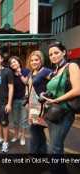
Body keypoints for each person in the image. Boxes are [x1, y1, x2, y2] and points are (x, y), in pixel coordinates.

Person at [41, 41, 80, 173]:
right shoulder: (56, 71)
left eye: (56, 53)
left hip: (64, 112)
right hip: (53, 112)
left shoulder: (72, 66)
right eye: (51, 54)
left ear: (64, 52)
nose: (53, 56)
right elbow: (56, 89)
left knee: (53, 149)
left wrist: (56, 99)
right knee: (56, 146)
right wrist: (46, 94)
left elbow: (77, 90)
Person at [25, 50, 52, 155]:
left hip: (41, 105)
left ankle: (33, 153)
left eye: (36, 60)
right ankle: (42, 152)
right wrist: (27, 101)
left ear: (41, 60)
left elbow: (55, 83)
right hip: (32, 104)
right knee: (38, 130)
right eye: (32, 60)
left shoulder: (45, 71)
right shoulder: (31, 72)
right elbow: (29, 88)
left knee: (33, 131)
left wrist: (47, 94)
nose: (34, 62)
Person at [8, 56, 30, 145]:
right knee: (16, 119)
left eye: (15, 62)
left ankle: (23, 136)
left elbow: (27, 83)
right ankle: (16, 135)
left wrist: (20, 73)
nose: (13, 64)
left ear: (18, 62)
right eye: (11, 63)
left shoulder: (26, 71)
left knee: (24, 119)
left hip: (24, 99)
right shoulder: (11, 74)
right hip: (14, 100)